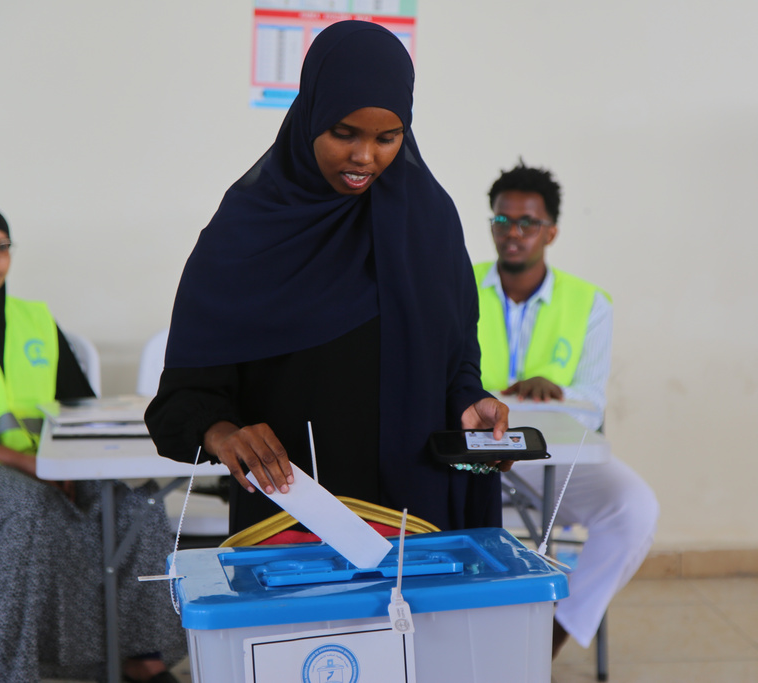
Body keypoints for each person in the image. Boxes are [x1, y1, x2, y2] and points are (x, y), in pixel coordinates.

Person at [145, 21, 508, 536]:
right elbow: (180, 402)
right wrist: (222, 432)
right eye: (344, 133)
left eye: (387, 138)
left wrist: (471, 405)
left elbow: (454, 367)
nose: (365, 157)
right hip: (293, 518)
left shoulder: (427, 222)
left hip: (418, 518)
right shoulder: (245, 232)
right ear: (311, 113)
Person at [0, 202, 185, 683]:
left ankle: (142, 659)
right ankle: (7, 670)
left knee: (137, 507)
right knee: (31, 510)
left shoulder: (37, 321)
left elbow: (79, 406)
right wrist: (28, 464)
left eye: (1, 248)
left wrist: (70, 464)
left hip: (50, 464)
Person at [475, 161, 660, 656]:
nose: (513, 233)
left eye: (527, 223)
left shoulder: (589, 303)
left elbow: (590, 402)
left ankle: (544, 645)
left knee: (634, 509)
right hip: (472, 452)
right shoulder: (456, 286)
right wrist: (520, 396)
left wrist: (531, 393)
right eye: (502, 220)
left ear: (550, 231)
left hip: (551, 457)